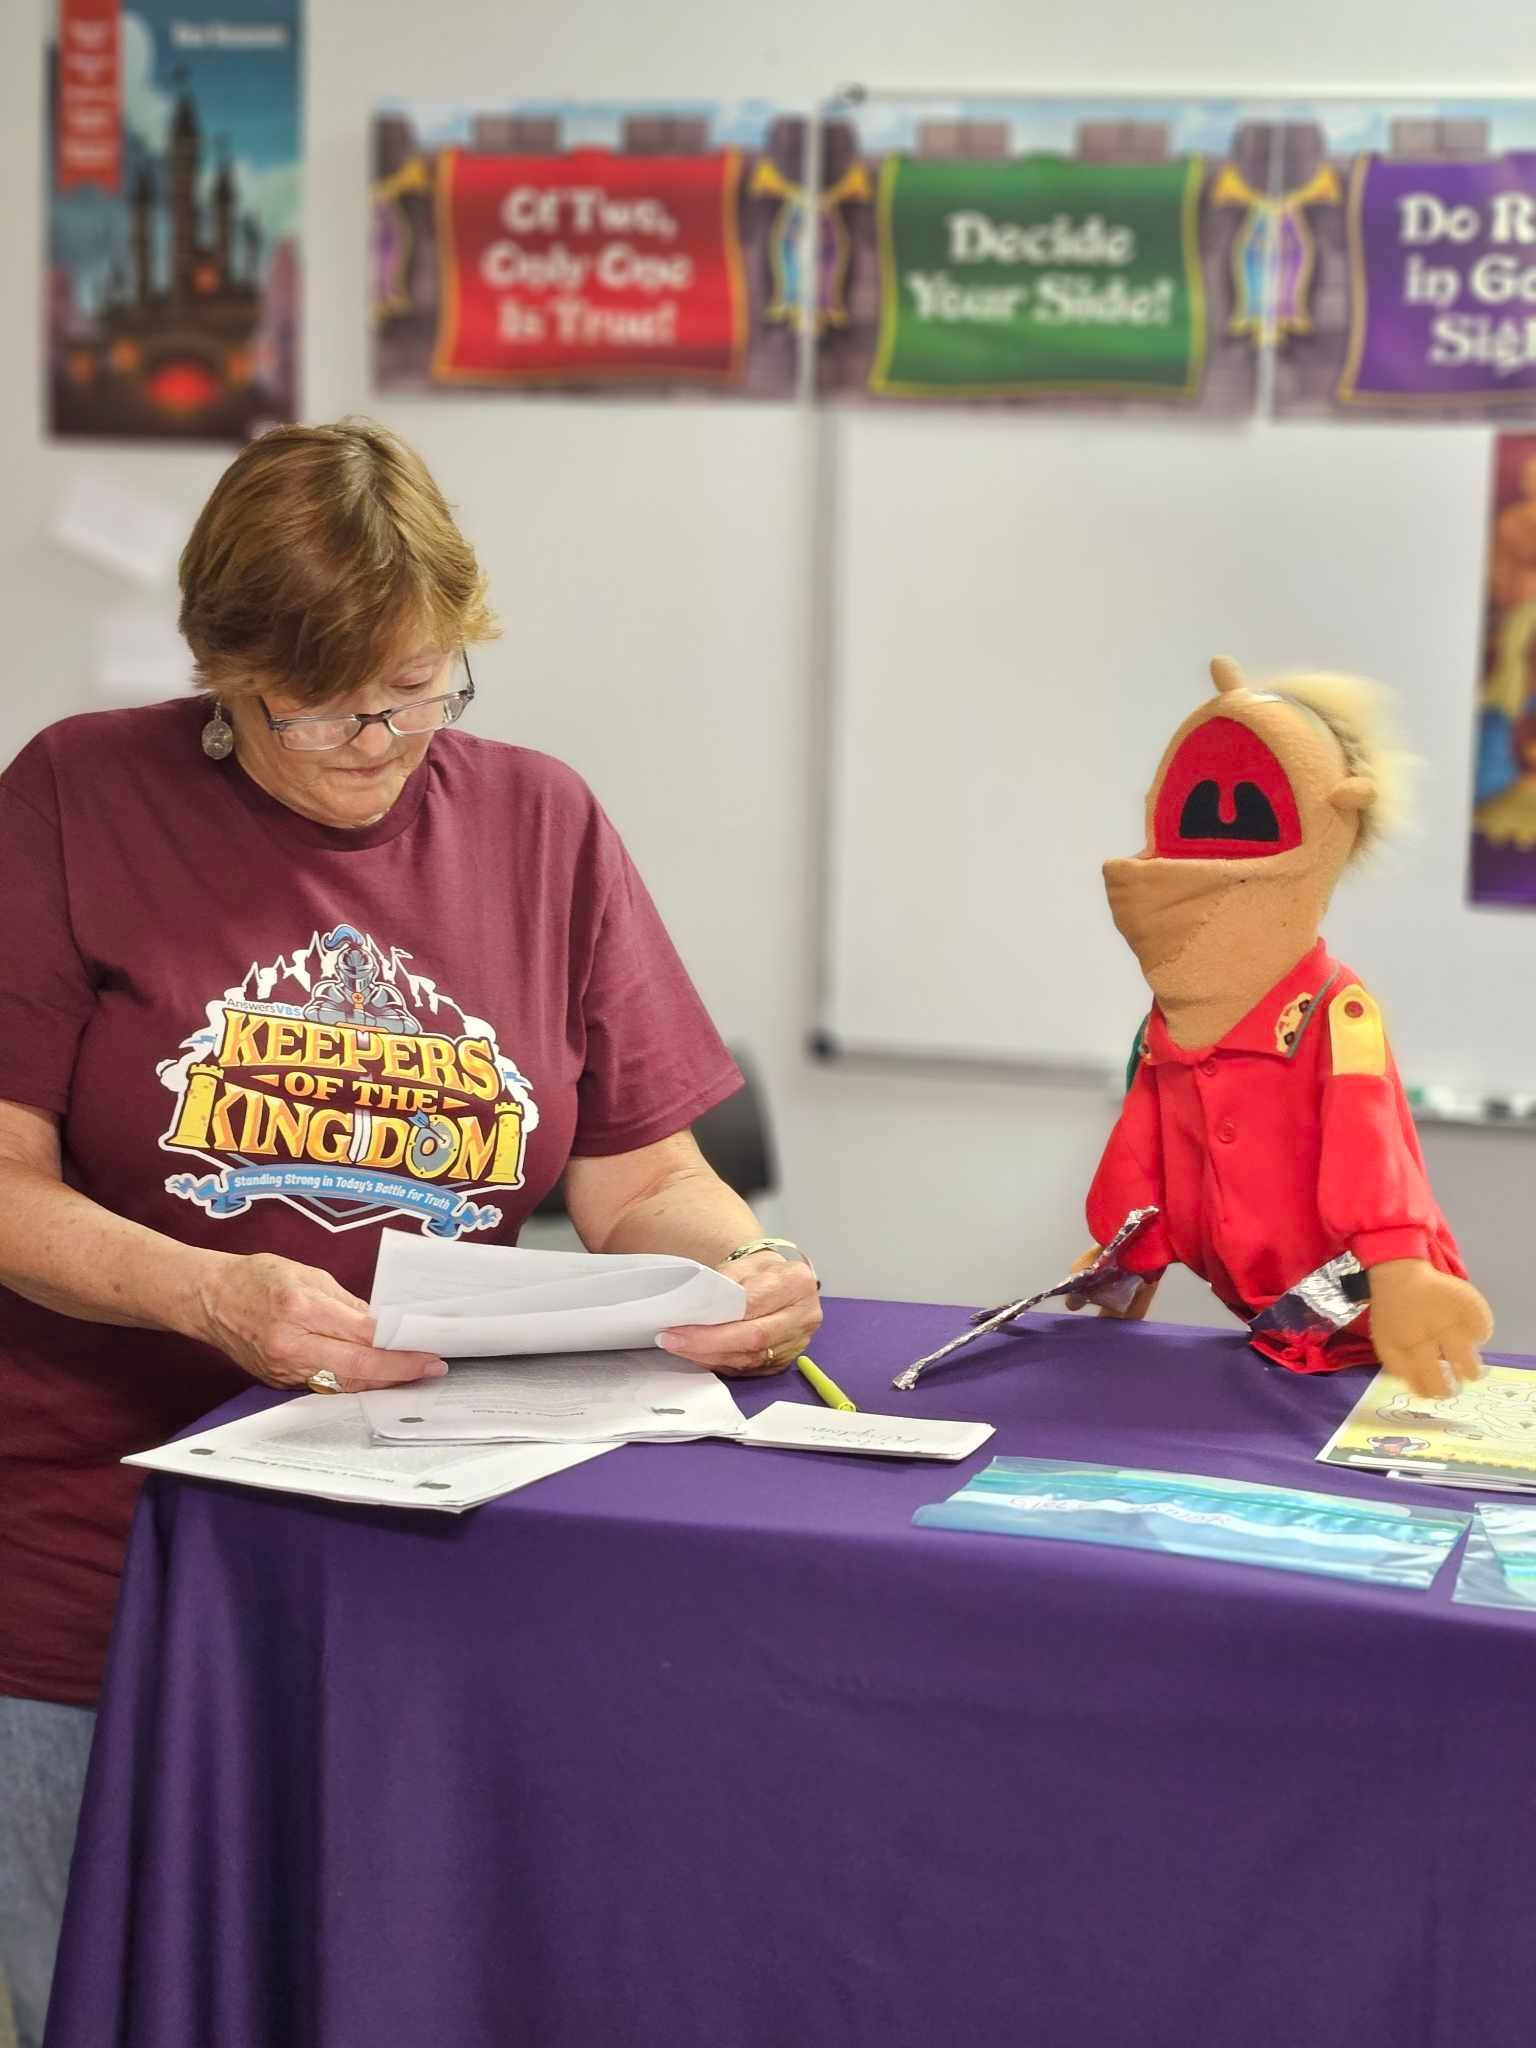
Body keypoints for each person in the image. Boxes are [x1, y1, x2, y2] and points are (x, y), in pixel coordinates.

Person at [0, 419, 820, 2047]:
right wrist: (201, 1295)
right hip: (107, 1571)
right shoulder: (80, 796)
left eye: (416, 689)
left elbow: (641, 1175)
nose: (373, 742)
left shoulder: (541, 824)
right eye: (314, 709)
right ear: (222, 673)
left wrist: (730, 1270)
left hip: (435, 1574)